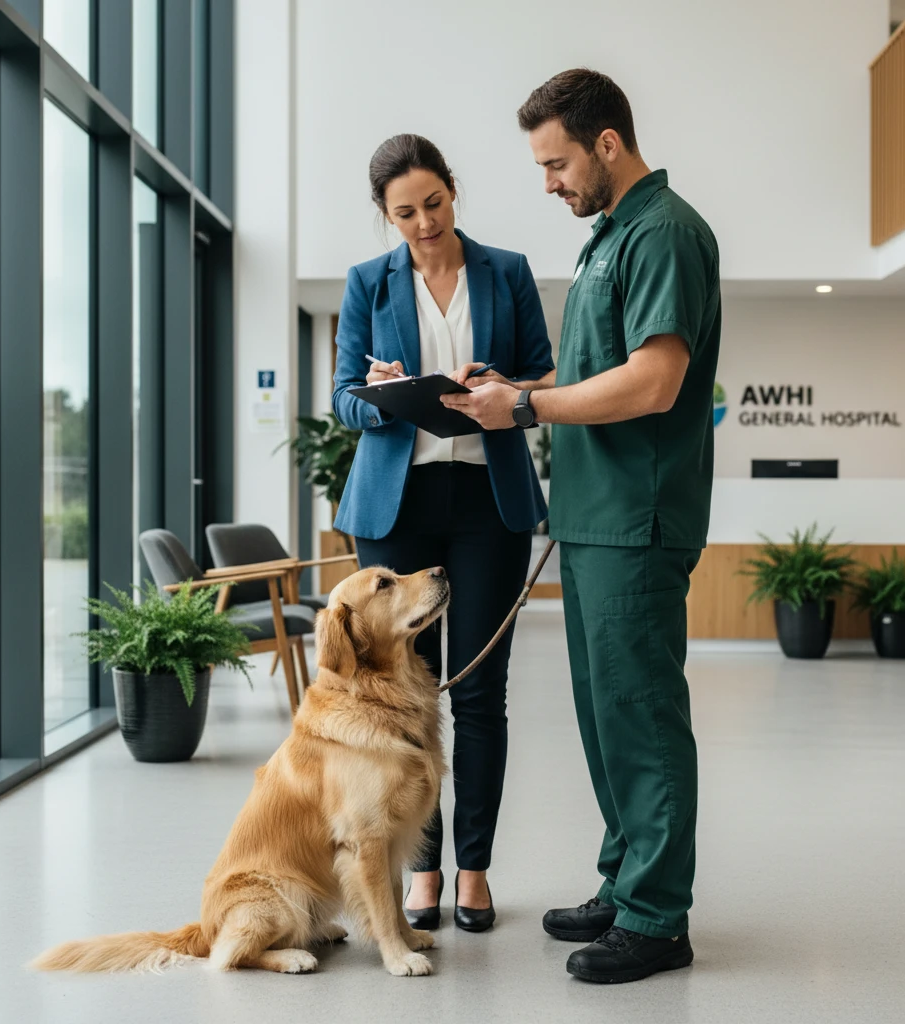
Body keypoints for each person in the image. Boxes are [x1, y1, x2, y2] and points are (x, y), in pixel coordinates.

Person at [442, 69, 721, 983]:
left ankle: (657, 917)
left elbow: (655, 381)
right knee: (606, 722)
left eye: (557, 162)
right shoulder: (609, 240)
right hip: (596, 518)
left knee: (640, 718)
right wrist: (521, 389)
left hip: (637, 519)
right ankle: (623, 881)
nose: (549, 182)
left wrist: (525, 410)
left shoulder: (664, 232)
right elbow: (590, 375)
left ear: (607, 144)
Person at [331, 134, 554, 933]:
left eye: (434, 203)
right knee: (403, 702)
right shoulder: (367, 283)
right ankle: (418, 871)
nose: (423, 223)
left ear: (453, 191)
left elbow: (544, 373)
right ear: (384, 216)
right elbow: (344, 400)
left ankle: (474, 871)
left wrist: (506, 387)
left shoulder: (509, 271)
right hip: (399, 510)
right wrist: (384, 394)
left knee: (480, 695)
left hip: (488, 500)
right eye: (404, 213)